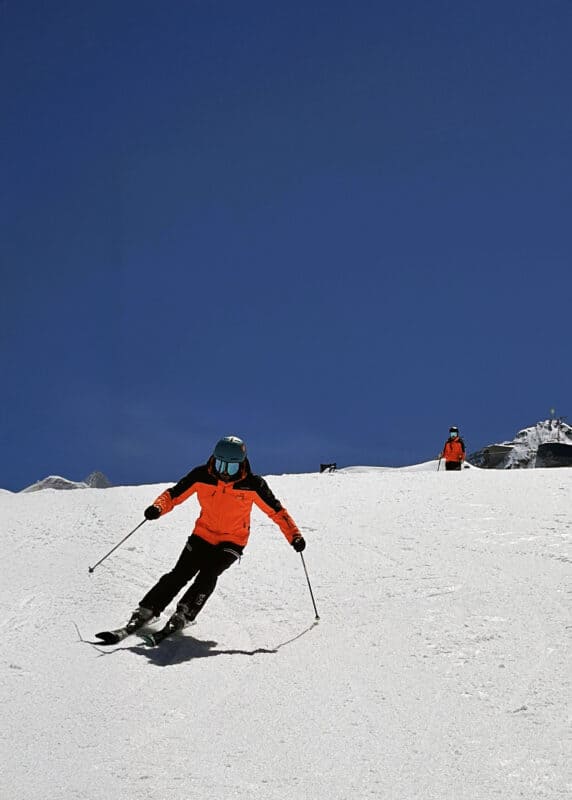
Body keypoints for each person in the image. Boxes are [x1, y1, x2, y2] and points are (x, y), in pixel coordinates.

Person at [124, 435, 306, 635]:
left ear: (241, 465)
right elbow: (174, 495)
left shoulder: (253, 485)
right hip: (203, 535)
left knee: (208, 574)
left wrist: (294, 536)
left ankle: (185, 612)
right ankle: (147, 609)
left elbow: (277, 512)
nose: (225, 473)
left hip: (233, 541)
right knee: (180, 573)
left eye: (231, 468)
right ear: (214, 459)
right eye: (221, 465)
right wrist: (158, 508)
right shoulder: (201, 476)